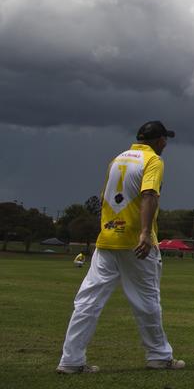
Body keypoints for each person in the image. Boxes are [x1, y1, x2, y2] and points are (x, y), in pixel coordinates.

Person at [56, 121, 185, 374]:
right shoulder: (153, 161)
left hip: (107, 239)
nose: (166, 144)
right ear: (158, 140)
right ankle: (159, 356)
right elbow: (149, 195)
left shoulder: (117, 159)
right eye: (165, 139)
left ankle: (70, 361)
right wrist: (145, 234)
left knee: (87, 301)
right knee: (146, 300)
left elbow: (105, 197)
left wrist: (108, 228)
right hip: (135, 242)